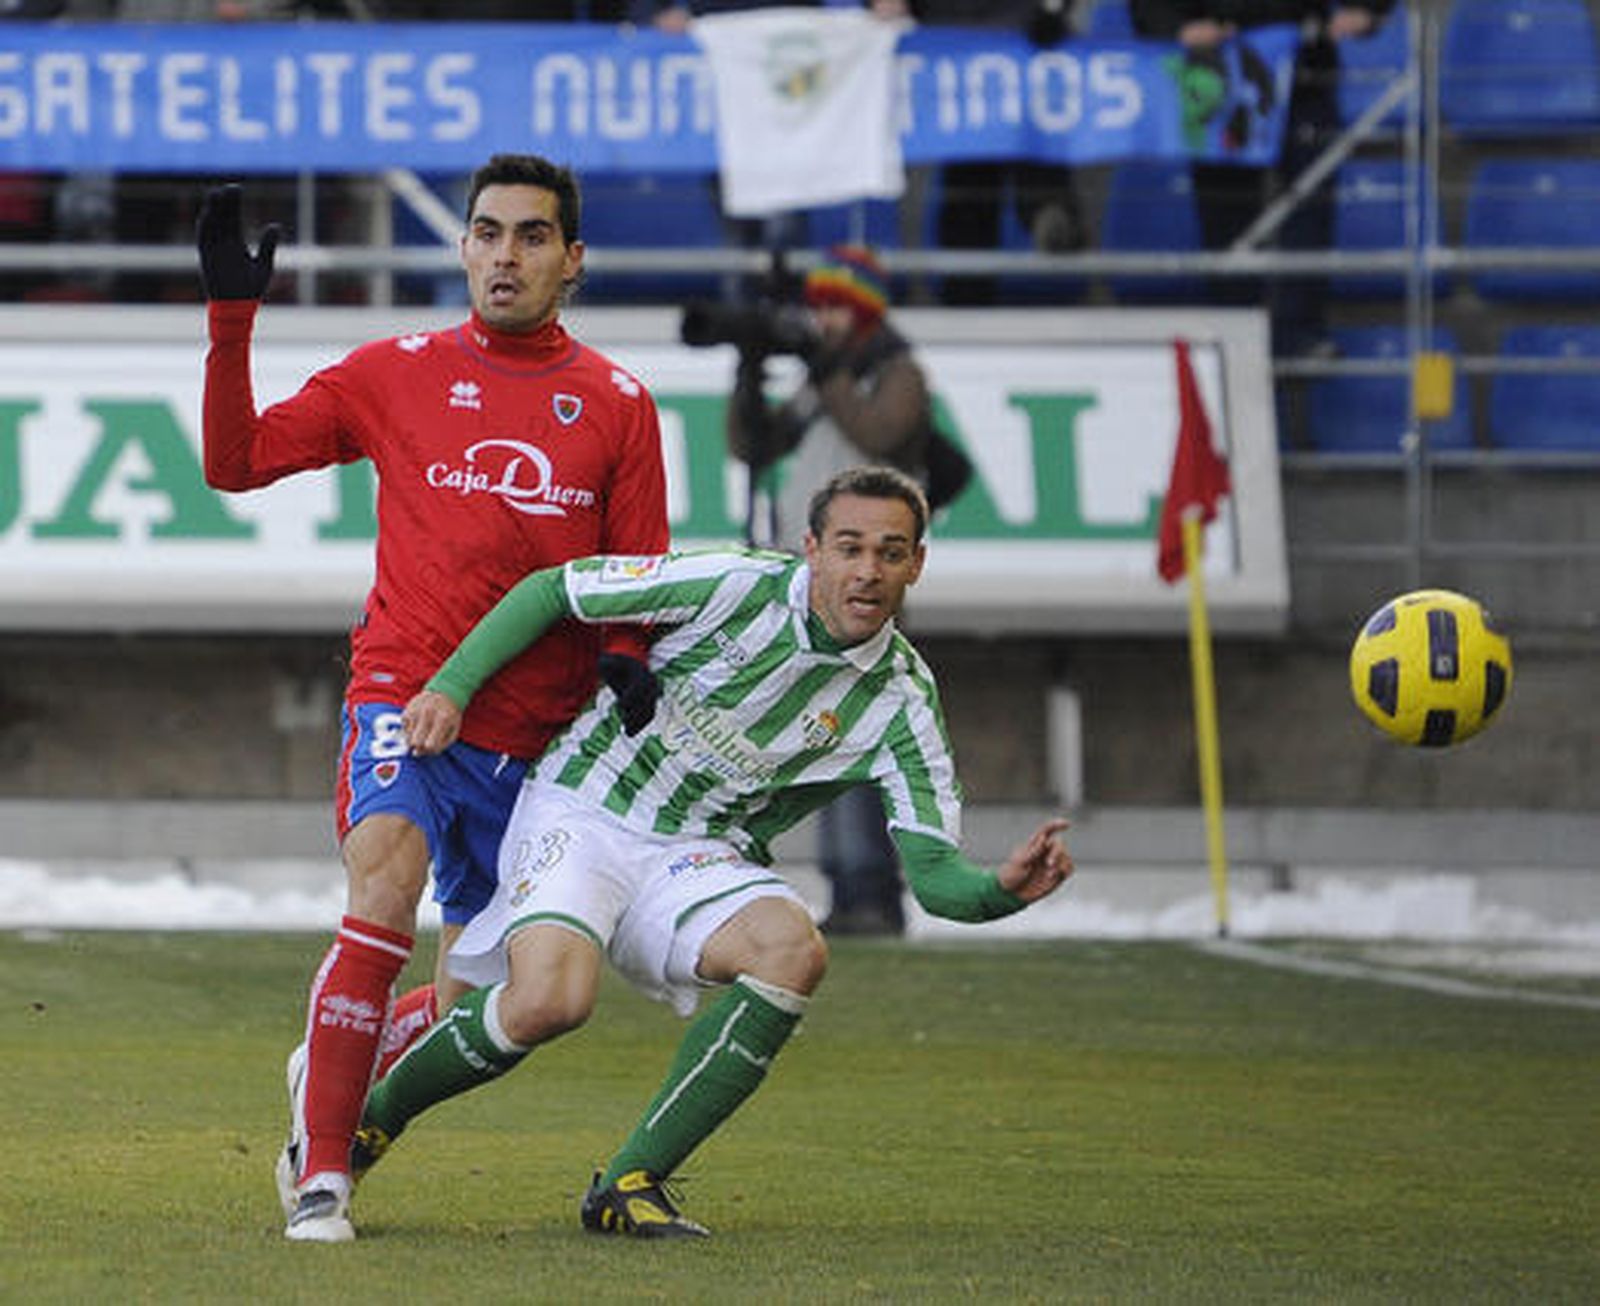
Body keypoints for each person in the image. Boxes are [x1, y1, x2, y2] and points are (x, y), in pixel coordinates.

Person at [350, 465, 1074, 1238]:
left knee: (792, 951)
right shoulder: (735, 583)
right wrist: (451, 688)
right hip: (585, 805)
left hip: (696, 855)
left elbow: (932, 876)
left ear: (916, 565)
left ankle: (630, 1183)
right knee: (549, 1002)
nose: (868, 571)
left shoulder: (903, 700)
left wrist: (999, 890)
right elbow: (554, 589)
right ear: (811, 550)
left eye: (890, 553)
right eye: (850, 548)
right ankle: (366, 1124)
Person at [196, 152, 671, 1242]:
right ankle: (325, 1176)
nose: (506, 255)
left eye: (532, 236)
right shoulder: (393, 371)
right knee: (384, 880)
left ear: (573, 259)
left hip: (535, 743)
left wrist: (627, 658)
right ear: (461, 247)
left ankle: (338, 1056)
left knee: (485, 1005)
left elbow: (634, 579)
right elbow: (236, 461)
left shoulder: (618, 404)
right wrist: (230, 320)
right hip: (401, 697)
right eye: (488, 232)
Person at [726, 244, 931, 936]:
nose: (823, 321)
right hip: (809, 583)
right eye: (818, 308)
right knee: (820, 736)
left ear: (865, 311)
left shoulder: (897, 373)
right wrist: (748, 375)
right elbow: (753, 445)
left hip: (865, 583)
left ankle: (871, 885)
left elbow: (879, 431)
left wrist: (826, 368)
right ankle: (847, 885)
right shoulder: (828, 378)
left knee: (856, 738)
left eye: (836, 308)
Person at [1129, 0, 1397, 352]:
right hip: (1218, 73)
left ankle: (1300, 334)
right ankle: (1235, 336)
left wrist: (1368, 8)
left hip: (1303, 70)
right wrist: (1175, 27)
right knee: (1225, 214)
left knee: (1309, 205)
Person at [910, 0, 1086, 306]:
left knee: (975, 172)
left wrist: (1052, 9)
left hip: (1010, 35)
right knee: (1008, 154)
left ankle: (967, 294)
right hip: (960, 42)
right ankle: (1049, 208)